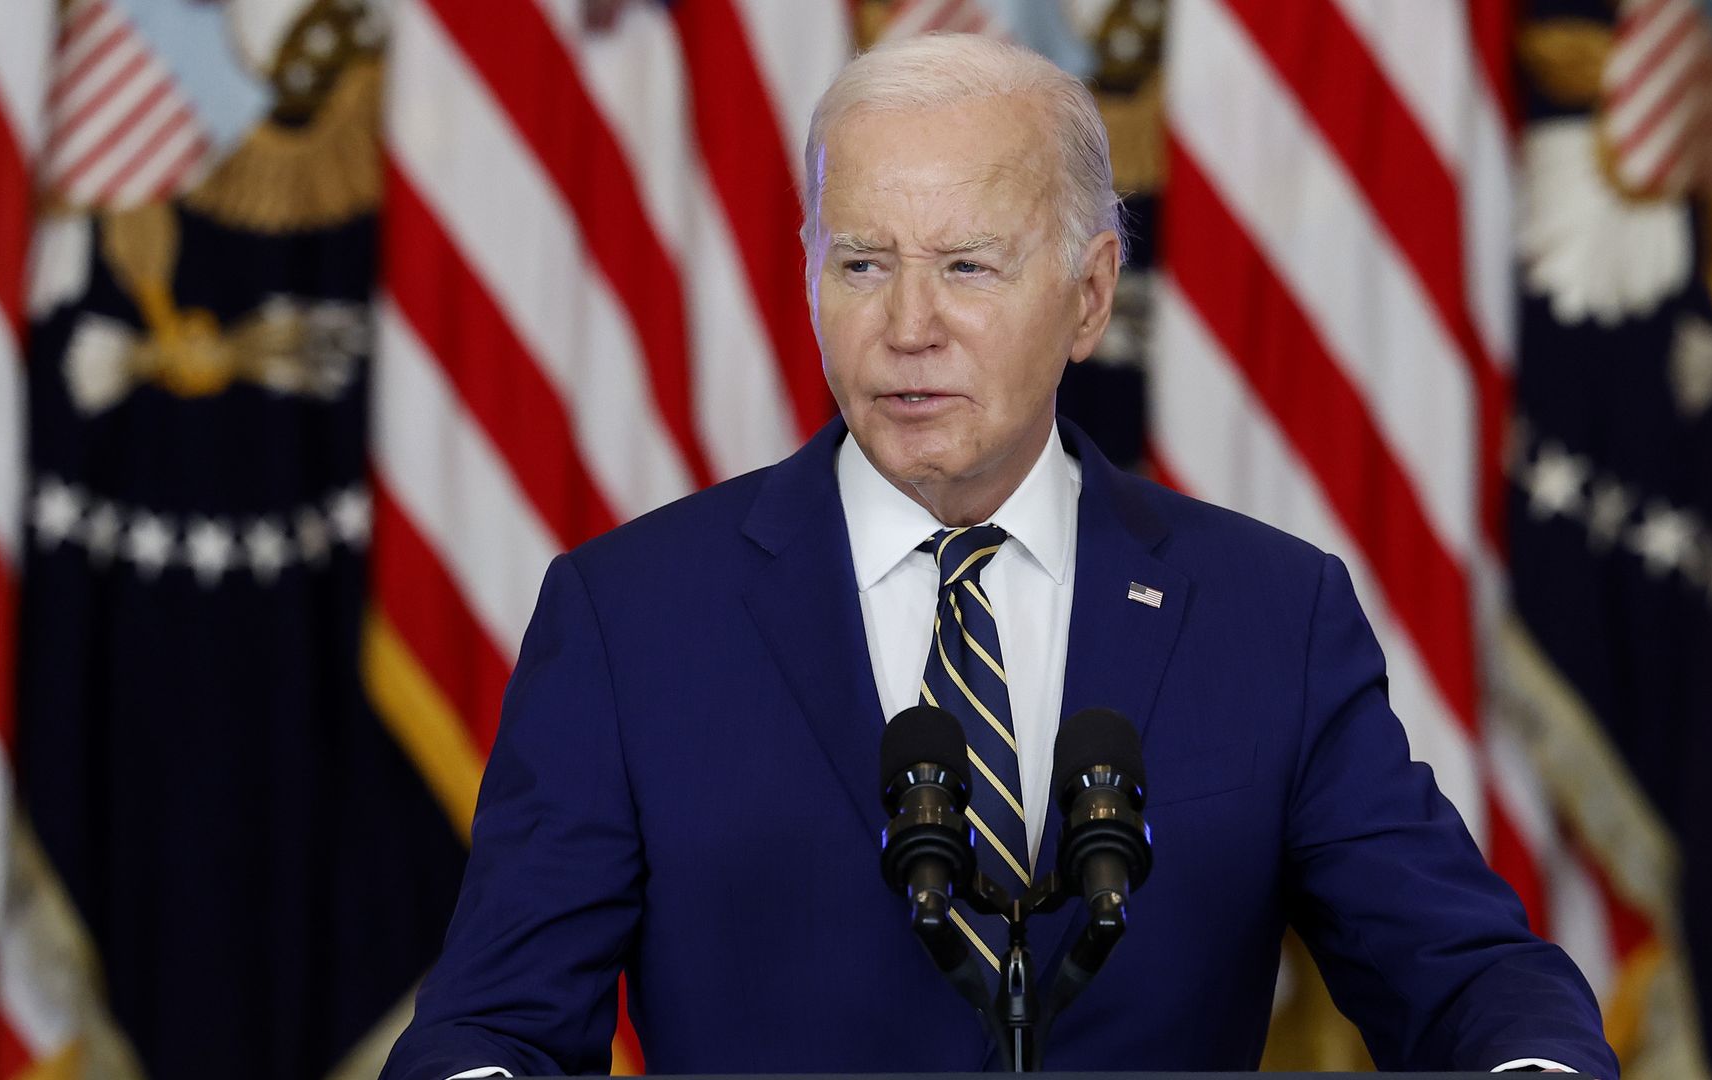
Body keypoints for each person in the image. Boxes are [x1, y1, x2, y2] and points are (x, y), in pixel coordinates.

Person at [381, 34, 1615, 1080]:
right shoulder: (632, 617)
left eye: (968, 266)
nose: (909, 328)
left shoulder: (1265, 613)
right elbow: (495, 1024)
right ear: (809, 279)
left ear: (1089, 296)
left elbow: (1462, 974)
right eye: (863, 264)